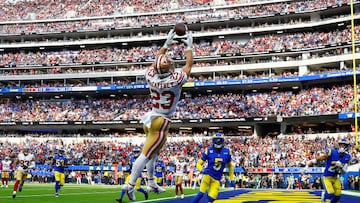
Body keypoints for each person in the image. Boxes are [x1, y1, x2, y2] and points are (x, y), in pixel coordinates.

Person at [122, 27, 193, 201]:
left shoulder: (150, 75)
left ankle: (152, 182)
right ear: (169, 69)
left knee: (154, 153)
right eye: (169, 61)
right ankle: (130, 186)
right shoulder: (175, 79)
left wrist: (166, 45)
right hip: (161, 121)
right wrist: (189, 47)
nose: (170, 61)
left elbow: (157, 62)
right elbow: (189, 65)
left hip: (150, 117)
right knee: (146, 154)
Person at [192, 133, 235, 203]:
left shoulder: (227, 151)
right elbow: (198, 163)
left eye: (219, 140)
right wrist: (202, 170)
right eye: (216, 140)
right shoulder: (209, 150)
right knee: (200, 194)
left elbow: (230, 166)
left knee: (211, 199)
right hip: (208, 176)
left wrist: (232, 179)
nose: (218, 141)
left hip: (217, 179)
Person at [306, 138, 351, 203]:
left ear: (347, 147)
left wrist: (341, 166)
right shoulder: (332, 152)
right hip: (327, 177)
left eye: (344, 145)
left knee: (338, 196)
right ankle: (324, 195)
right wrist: (312, 161)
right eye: (341, 145)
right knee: (330, 193)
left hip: (335, 178)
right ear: (339, 145)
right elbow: (322, 158)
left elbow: (343, 172)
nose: (342, 147)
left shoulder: (348, 157)